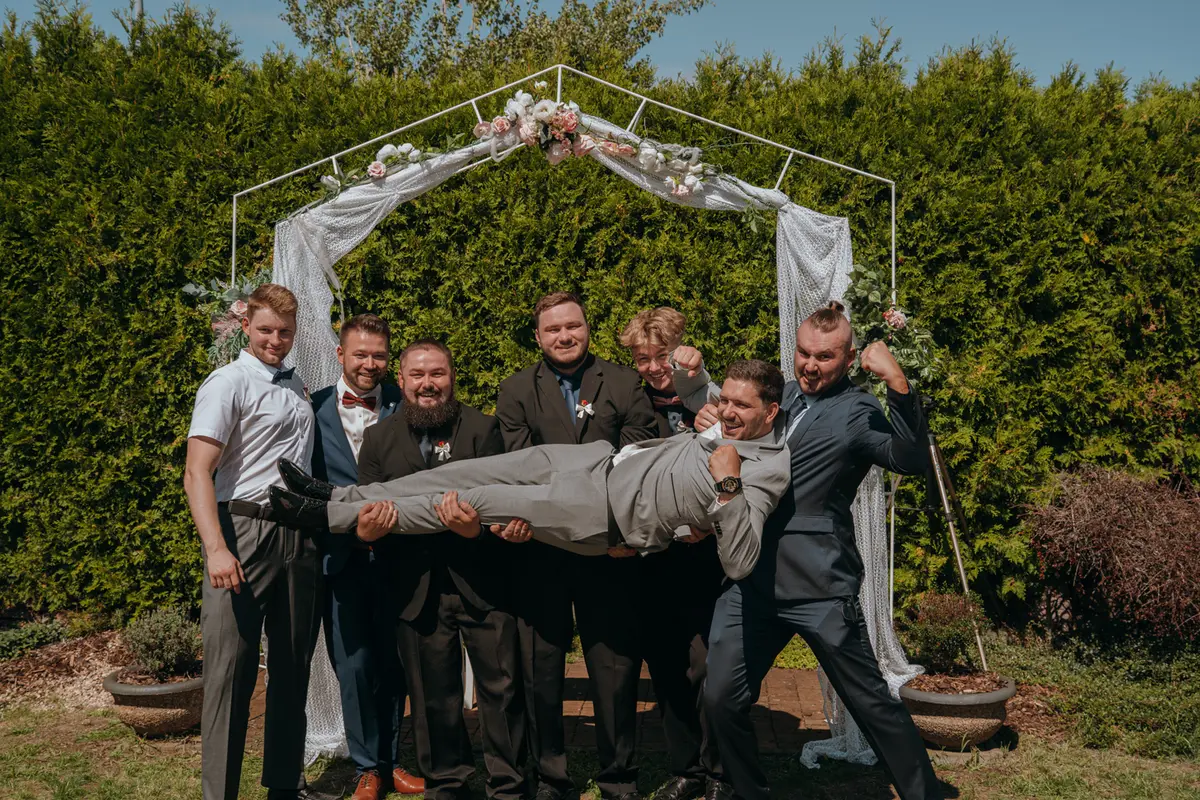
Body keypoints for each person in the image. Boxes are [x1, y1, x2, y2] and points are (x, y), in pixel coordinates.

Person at [699, 302, 942, 800]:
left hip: (818, 585)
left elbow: (909, 458)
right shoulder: (782, 396)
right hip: (751, 580)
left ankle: (924, 793)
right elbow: (739, 436)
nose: (810, 366)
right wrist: (716, 416)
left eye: (824, 357)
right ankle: (749, 792)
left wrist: (898, 384)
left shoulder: (857, 410)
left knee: (870, 701)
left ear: (849, 359)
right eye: (803, 353)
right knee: (719, 696)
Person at [268, 361, 792, 578]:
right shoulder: (728, 421)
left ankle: (325, 518)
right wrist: (697, 385)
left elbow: (740, 562)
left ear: (771, 413)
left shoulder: (766, 470)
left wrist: (727, 484)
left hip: (599, 510)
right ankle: (336, 495)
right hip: (592, 460)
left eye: (740, 407)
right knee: (460, 474)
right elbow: (696, 393)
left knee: (468, 503)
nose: (726, 412)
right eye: (726, 401)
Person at [496, 291, 660, 800]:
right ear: (538, 336)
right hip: (541, 551)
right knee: (540, 669)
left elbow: (637, 460)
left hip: (608, 552)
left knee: (615, 669)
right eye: (553, 329)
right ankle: (552, 778)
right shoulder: (516, 390)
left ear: (587, 327)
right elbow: (522, 468)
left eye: (573, 325)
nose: (565, 336)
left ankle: (619, 777)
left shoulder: (624, 382)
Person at [355, 339, 529, 800]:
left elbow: (502, 506)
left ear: (452, 377)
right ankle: (447, 783)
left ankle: (509, 784)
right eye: (418, 375)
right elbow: (364, 511)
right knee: (432, 695)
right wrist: (366, 532)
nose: (428, 384)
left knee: (502, 689)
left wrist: (475, 531)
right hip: (414, 588)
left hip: (483, 581)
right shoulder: (378, 439)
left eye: (437, 374)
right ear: (402, 379)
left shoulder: (484, 429)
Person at [183, 283, 321, 800]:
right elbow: (197, 472)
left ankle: (285, 786)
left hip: (298, 536)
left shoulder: (297, 384)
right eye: (265, 330)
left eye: (284, 332)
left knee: (292, 669)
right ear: (246, 327)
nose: (275, 340)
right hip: (243, 532)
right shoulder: (228, 382)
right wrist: (217, 548)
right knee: (230, 675)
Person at [308, 313, 423, 800]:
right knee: (353, 665)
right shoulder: (310, 408)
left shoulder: (407, 404)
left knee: (393, 662)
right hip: (341, 559)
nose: (369, 364)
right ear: (341, 355)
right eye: (360, 354)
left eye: (379, 355)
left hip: (399, 557)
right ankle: (366, 768)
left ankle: (392, 761)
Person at [618, 308, 726, 800]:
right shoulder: (632, 406)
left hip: (705, 558)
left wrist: (709, 524)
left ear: (681, 351)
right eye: (643, 359)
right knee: (664, 662)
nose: (653, 367)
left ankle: (720, 771)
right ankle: (687, 770)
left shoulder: (711, 398)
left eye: (661, 355)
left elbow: (738, 471)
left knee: (708, 666)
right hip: (654, 558)